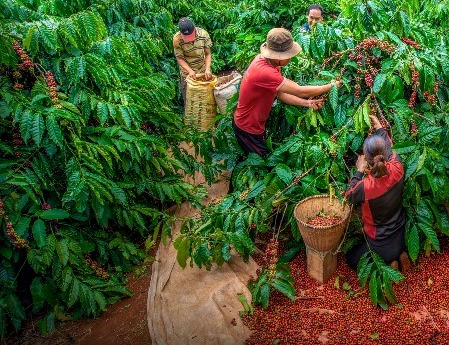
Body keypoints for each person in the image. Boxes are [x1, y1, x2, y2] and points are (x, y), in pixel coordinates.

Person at [233, 28, 338, 156]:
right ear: (278, 56)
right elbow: (300, 91)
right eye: (288, 55)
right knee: (262, 163)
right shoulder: (265, 72)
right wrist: (332, 86)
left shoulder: (271, 63)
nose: (291, 57)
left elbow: (279, 94)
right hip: (247, 128)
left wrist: (307, 104)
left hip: (255, 125)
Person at [344, 115, 412, 272]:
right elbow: (389, 147)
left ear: (366, 159)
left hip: (379, 244)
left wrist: (359, 171)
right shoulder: (397, 165)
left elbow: (349, 194)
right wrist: (380, 128)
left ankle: (389, 264)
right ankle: (400, 256)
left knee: (351, 259)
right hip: (400, 235)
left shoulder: (366, 187)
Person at [173, 17, 213, 107]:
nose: (189, 39)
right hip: (187, 74)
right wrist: (190, 71)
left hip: (202, 70)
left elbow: (208, 54)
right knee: (189, 102)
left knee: (206, 99)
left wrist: (207, 69)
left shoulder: (203, 34)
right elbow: (180, 58)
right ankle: (191, 120)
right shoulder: (177, 39)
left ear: (194, 28)